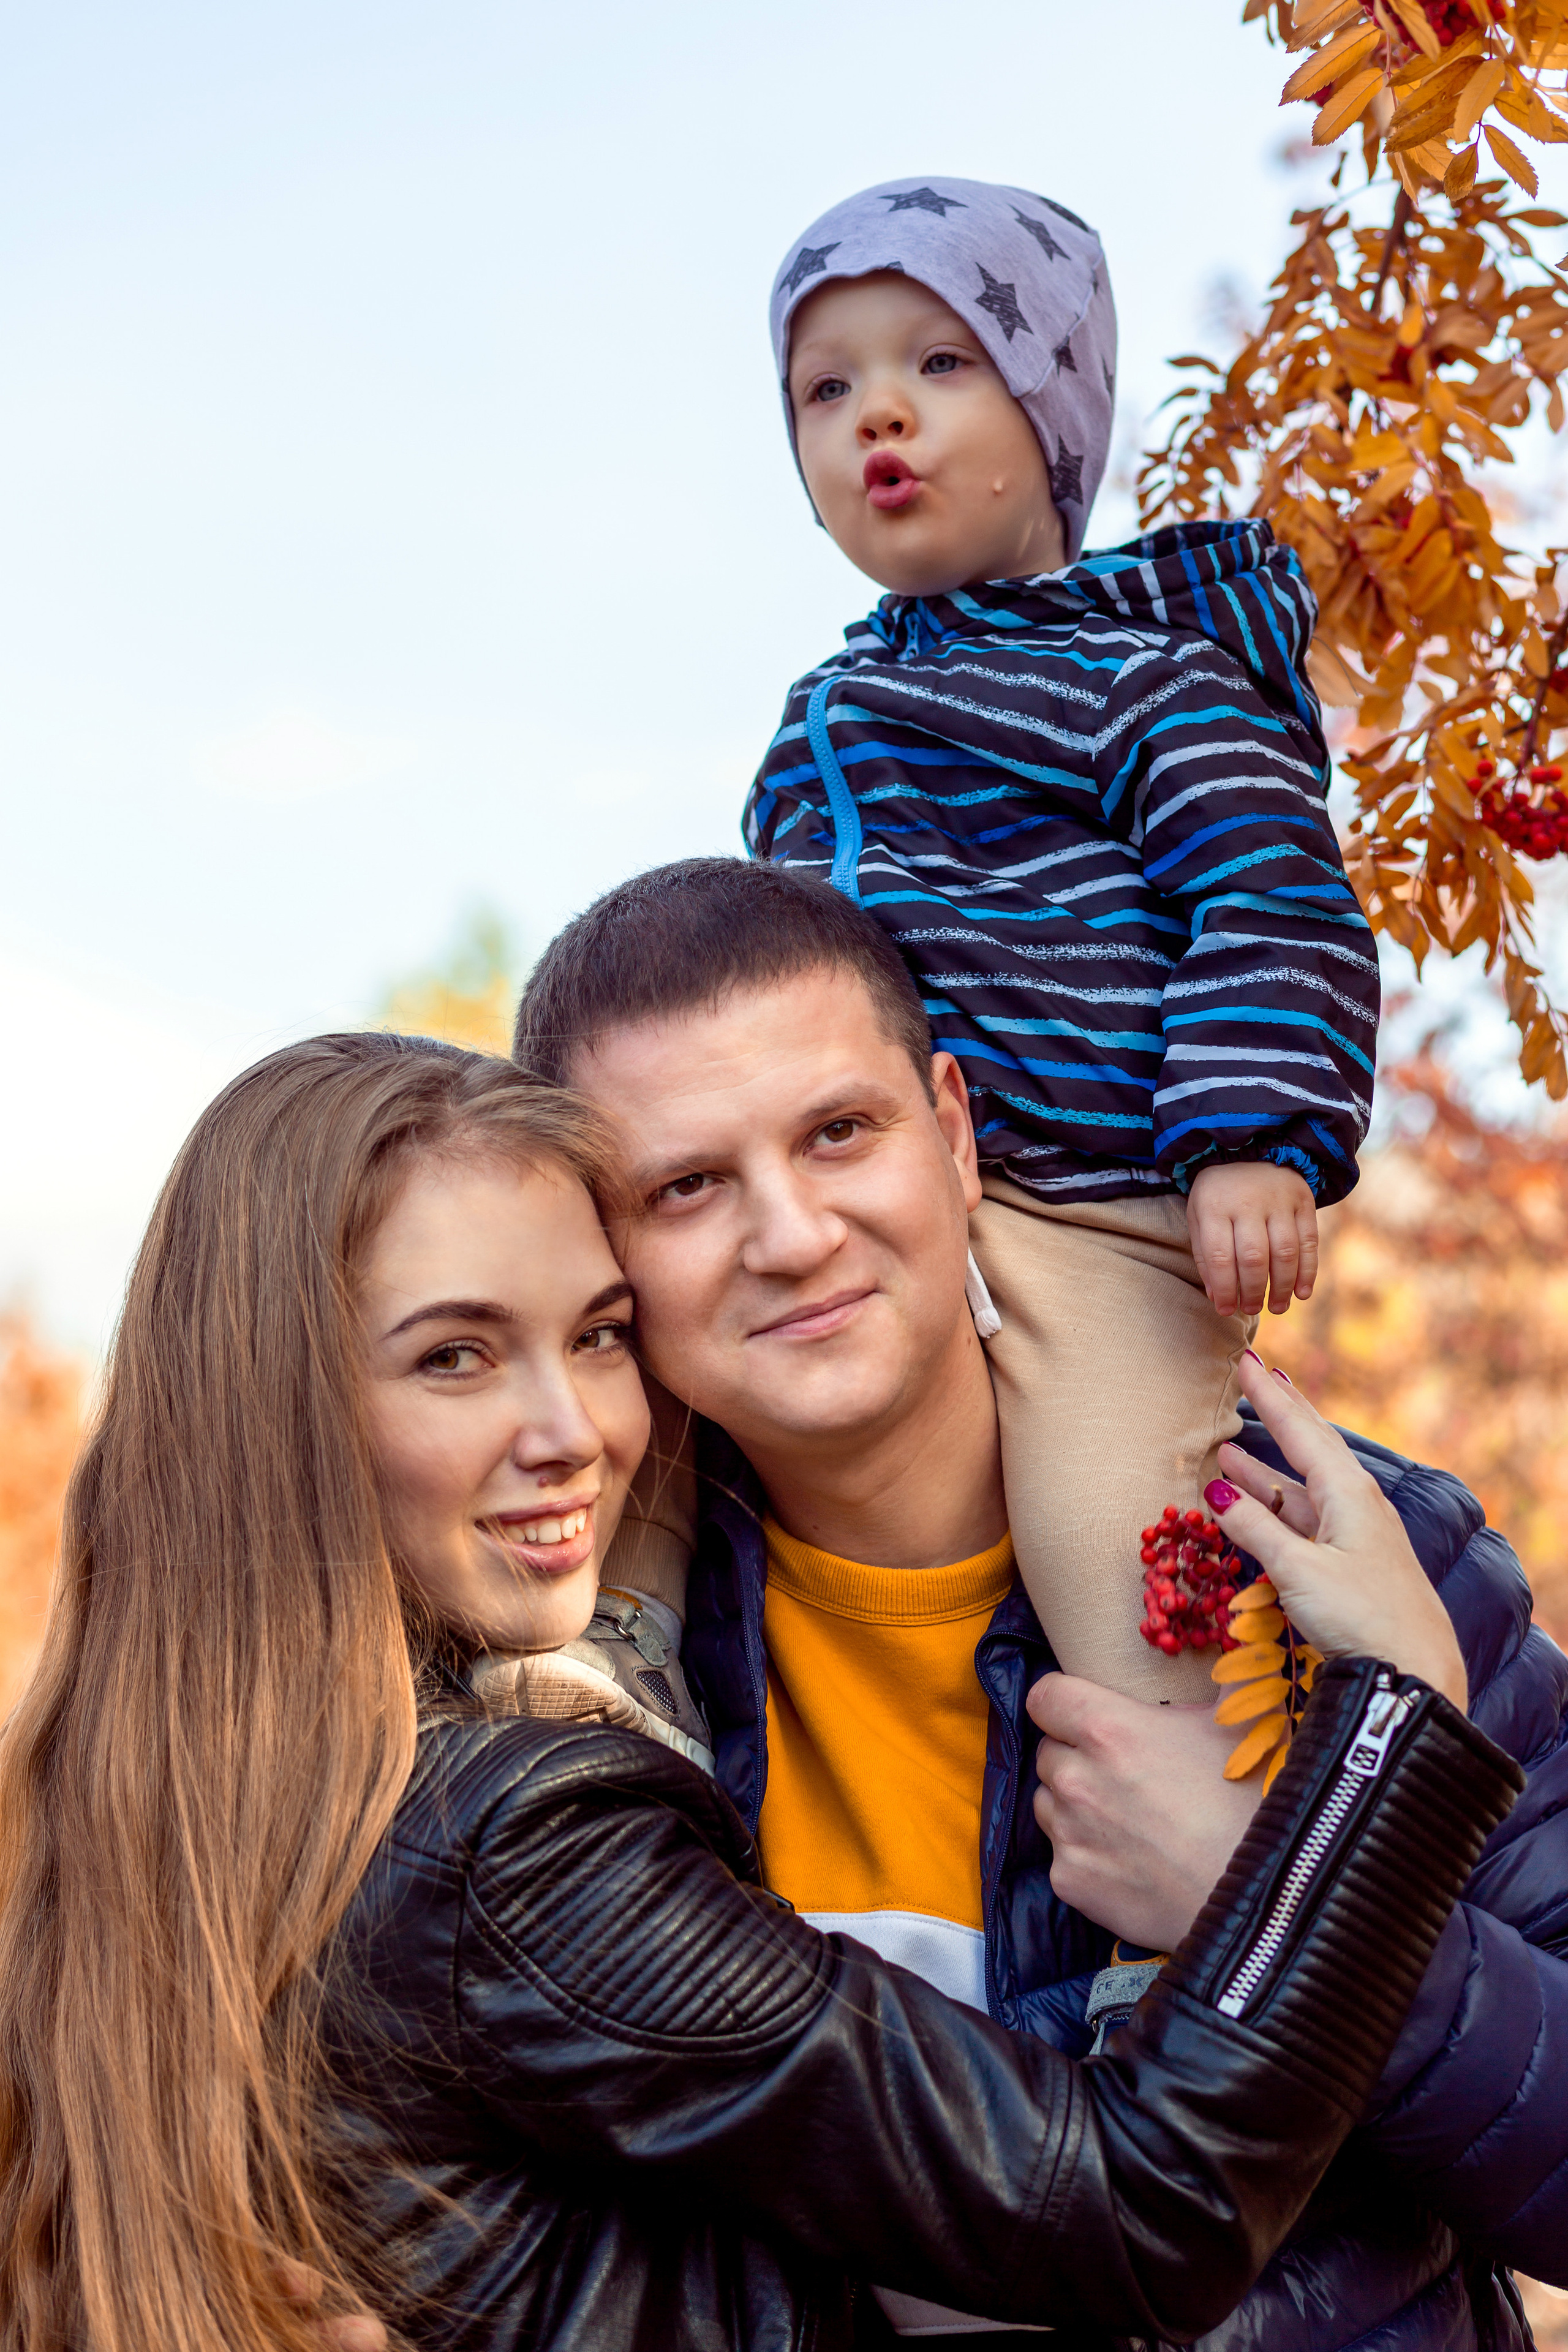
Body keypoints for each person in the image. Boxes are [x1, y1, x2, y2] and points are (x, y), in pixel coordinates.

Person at [0, 1030, 1520, 2352]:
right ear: (280, 1408)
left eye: (598, 1336)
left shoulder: (126, 1816)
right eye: (455, 1357)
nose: (573, 1430)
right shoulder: (509, 1845)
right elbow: (1151, 2208)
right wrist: (1392, 1738)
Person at [516, 854, 1568, 2349]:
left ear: (952, 1134)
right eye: (685, 1187)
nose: (792, 1235)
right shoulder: (568, 1687)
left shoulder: (1326, 1564)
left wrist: (1283, 1898)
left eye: (838, 1133)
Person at [745, 177, 1381, 1705]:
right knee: (646, 1379)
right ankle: (601, 1667)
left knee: (1111, 1536)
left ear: (1050, 415)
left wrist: (1249, 1138)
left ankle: (1190, 1796)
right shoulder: (816, 723)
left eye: (939, 363)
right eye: (824, 390)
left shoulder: (1142, 680)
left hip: (1095, 1209)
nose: (876, 412)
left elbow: (1269, 894)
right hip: (871, 1211)